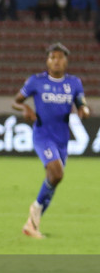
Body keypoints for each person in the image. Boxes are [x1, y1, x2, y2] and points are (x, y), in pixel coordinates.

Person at [12, 42, 90, 239]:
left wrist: (84, 110)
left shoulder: (74, 83)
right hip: (43, 135)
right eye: (52, 57)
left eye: (60, 57)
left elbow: (82, 103)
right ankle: (35, 209)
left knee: (54, 179)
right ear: (47, 61)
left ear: (66, 61)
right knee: (56, 173)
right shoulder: (35, 81)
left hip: (62, 139)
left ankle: (32, 225)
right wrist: (25, 109)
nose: (56, 61)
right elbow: (16, 101)